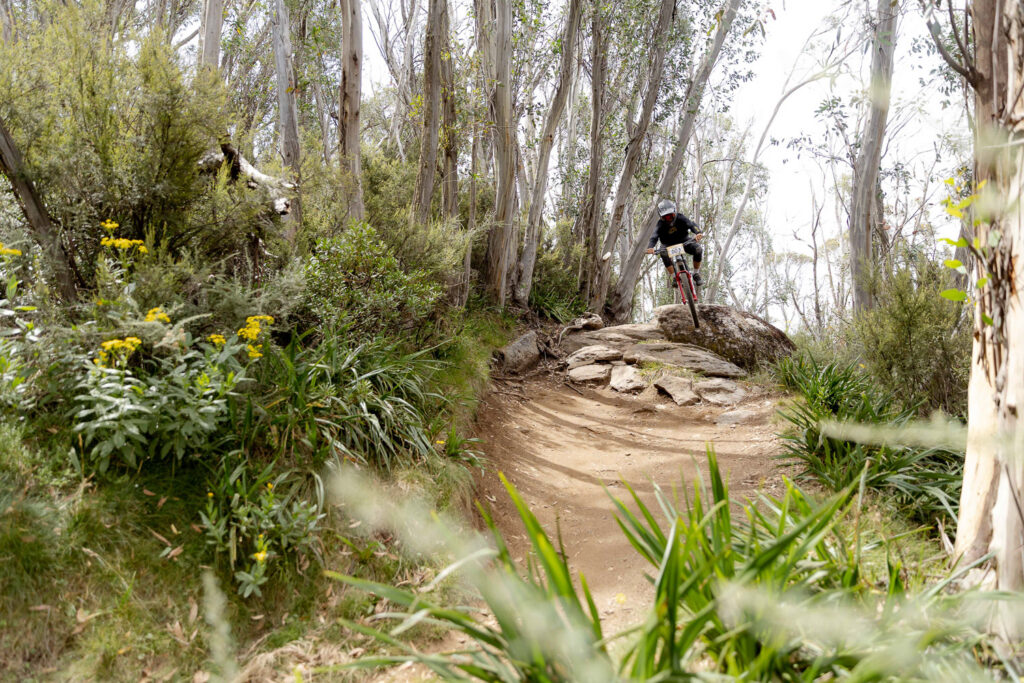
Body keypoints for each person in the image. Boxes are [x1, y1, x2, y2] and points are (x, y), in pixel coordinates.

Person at [645, 199, 703, 287]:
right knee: (663, 253)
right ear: (661, 216)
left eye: (670, 215)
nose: (668, 219)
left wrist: (698, 232)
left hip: (684, 241)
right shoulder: (660, 224)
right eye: (665, 217)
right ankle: (674, 277)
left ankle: (696, 274)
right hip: (667, 245)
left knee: (698, 249)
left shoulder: (680, 217)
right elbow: (654, 236)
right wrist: (650, 247)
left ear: (674, 212)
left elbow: (691, 225)